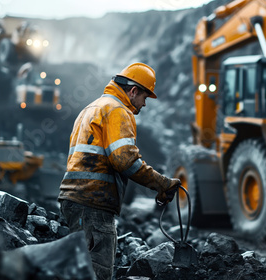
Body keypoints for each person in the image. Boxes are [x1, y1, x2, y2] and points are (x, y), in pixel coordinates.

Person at [58, 62, 181, 280]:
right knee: (98, 271)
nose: (144, 105)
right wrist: (161, 183)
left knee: (79, 268)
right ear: (133, 91)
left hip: (74, 201)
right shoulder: (118, 111)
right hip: (93, 204)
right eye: (144, 97)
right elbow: (126, 161)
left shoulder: (91, 108)